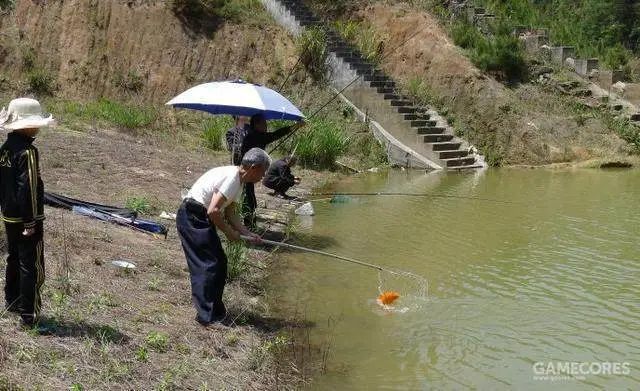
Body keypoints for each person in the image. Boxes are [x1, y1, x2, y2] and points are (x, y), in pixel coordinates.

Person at [176, 148, 268, 326]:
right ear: (254, 168)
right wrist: (229, 232)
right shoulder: (232, 177)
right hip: (192, 215)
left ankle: (216, 310)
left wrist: (247, 233)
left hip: (199, 217)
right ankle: (206, 317)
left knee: (219, 262)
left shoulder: (239, 181)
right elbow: (214, 210)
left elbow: (231, 212)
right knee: (208, 264)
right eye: (262, 172)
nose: (262, 177)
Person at [0, 98, 55, 327]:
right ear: (27, 125)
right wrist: (31, 221)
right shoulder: (28, 152)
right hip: (26, 219)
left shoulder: (4, 149)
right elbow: (29, 189)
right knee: (31, 264)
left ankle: (11, 300)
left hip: (9, 216)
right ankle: (29, 314)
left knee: (14, 257)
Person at [240, 114, 304, 227]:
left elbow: (273, 135)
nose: (266, 125)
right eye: (264, 123)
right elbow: (275, 135)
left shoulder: (254, 135)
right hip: (246, 171)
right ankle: (249, 225)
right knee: (248, 197)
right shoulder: (255, 136)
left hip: (248, 170)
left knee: (248, 196)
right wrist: (294, 127)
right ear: (256, 124)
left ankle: (249, 222)